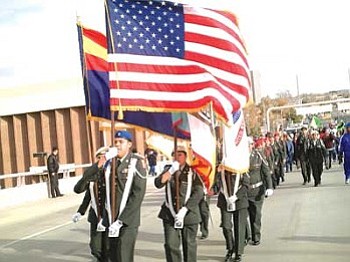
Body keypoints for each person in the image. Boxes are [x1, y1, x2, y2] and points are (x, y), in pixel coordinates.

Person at [154, 145, 204, 262]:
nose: (177, 157)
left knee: (189, 246)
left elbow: (198, 192)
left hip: (189, 213)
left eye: (180, 154)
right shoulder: (168, 170)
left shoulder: (193, 171)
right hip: (169, 214)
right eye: (174, 155)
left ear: (185, 156)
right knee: (171, 245)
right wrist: (170, 172)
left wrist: (185, 209)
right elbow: (158, 183)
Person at [106, 130, 147, 262]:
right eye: (115, 142)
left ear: (129, 144)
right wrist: (103, 160)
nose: (117, 145)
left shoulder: (136, 163)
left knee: (124, 256)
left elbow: (138, 194)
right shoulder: (109, 163)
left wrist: (121, 220)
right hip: (111, 217)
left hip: (128, 220)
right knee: (112, 257)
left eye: (121, 142)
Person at [72, 146, 112, 261]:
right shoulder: (92, 174)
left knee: (108, 248)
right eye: (99, 158)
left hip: (109, 216)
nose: (102, 160)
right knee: (95, 248)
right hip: (95, 216)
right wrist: (80, 212)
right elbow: (82, 192)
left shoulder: (112, 173)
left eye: (104, 157)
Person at [216, 163, 250, 261]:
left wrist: (236, 196)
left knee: (239, 227)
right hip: (224, 200)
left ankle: (238, 253)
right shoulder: (221, 167)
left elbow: (246, 184)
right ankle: (230, 249)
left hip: (240, 201)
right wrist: (217, 173)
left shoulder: (241, 167)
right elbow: (215, 184)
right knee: (226, 226)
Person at [246, 138, 273, 246]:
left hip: (257, 190)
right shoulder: (239, 157)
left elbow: (266, 171)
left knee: (256, 215)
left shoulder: (258, 155)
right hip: (244, 191)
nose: (248, 146)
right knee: (243, 215)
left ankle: (256, 236)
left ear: (252, 145)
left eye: (250, 144)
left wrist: (269, 187)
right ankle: (246, 235)